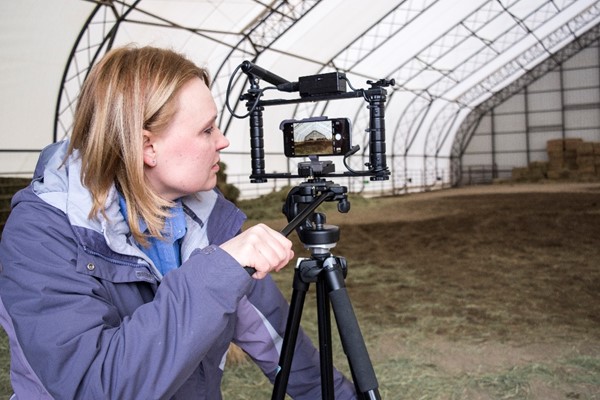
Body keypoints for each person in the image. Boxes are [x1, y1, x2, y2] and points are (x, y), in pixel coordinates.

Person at [0, 45, 356, 399]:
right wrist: (217, 272)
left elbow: (287, 352)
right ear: (147, 147)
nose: (223, 140)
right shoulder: (39, 236)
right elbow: (94, 387)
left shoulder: (208, 220)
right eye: (207, 130)